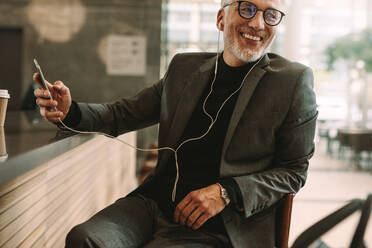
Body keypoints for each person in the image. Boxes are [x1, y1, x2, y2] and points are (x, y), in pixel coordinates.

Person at [33, 0, 317, 247]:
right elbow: (123, 113)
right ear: (221, 19)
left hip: (215, 228)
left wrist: (227, 192)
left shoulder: (291, 82)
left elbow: (294, 172)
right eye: (247, 8)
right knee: (84, 239)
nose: (257, 23)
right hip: (152, 206)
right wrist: (70, 112)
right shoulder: (184, 68)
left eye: (270, 15)